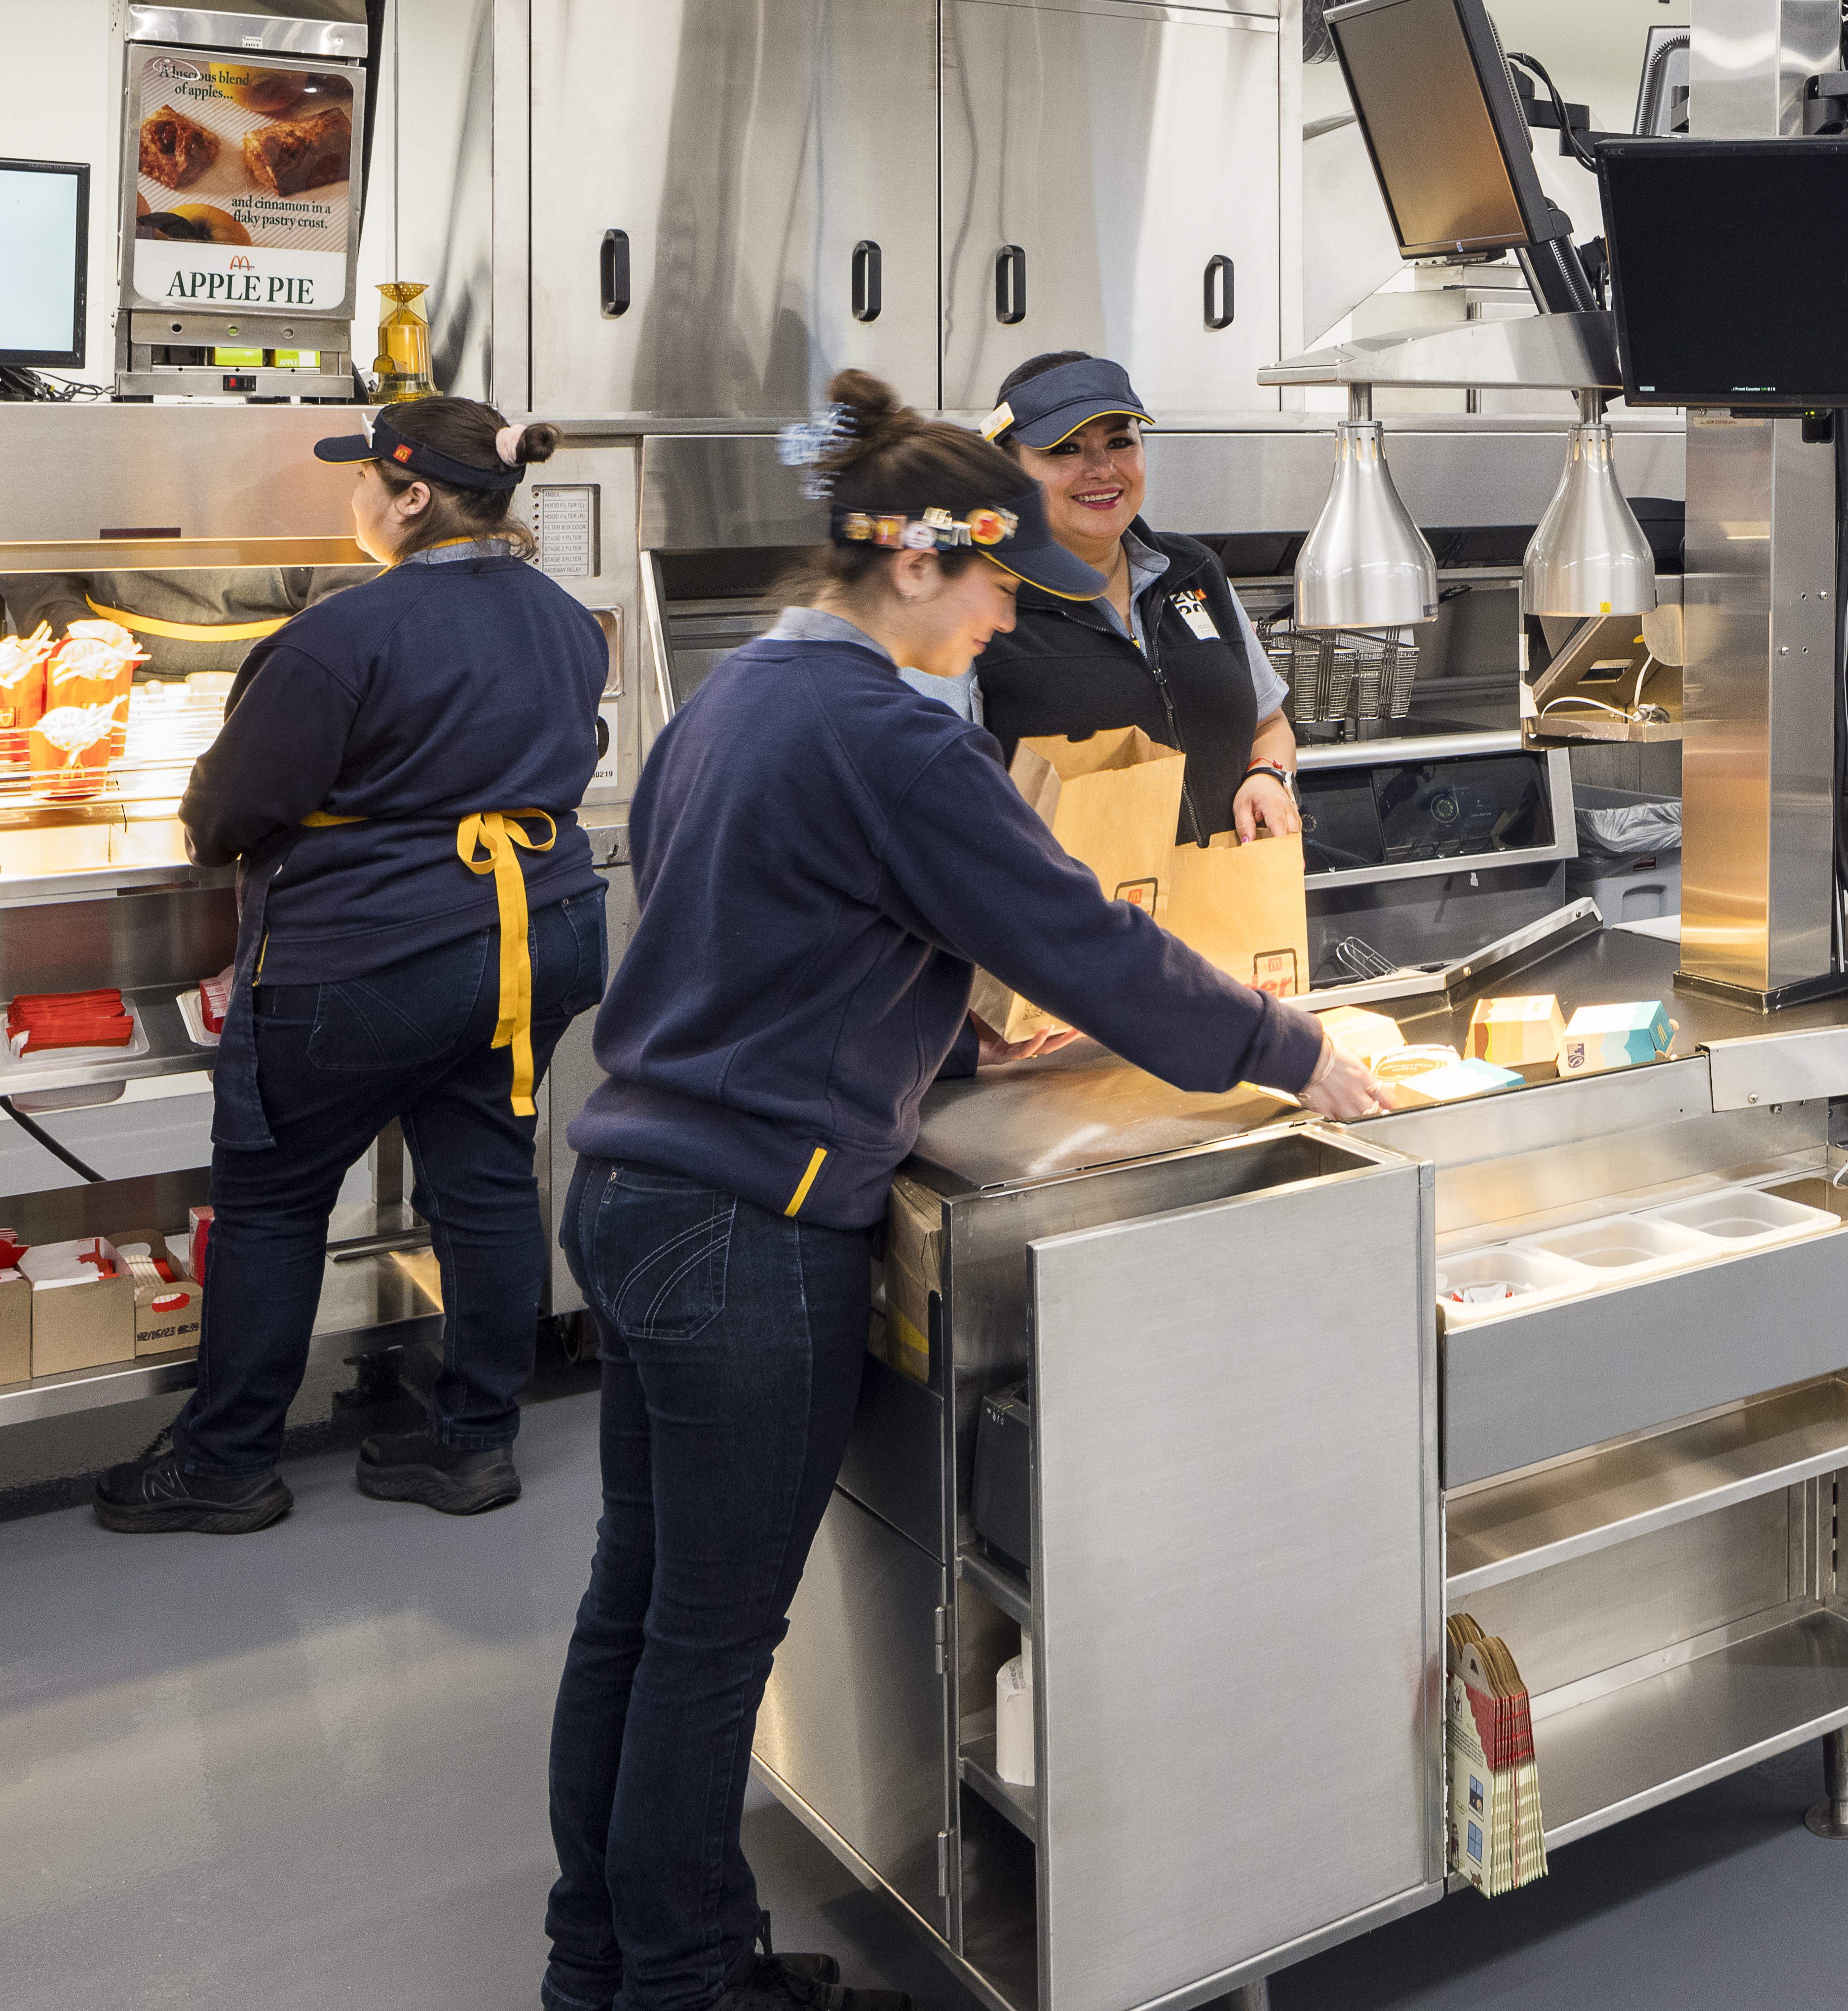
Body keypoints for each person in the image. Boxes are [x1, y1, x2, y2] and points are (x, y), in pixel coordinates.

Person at [543, 370, 1389, 2011]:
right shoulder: (884, 731)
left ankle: (616, 1954)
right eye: (999, 577)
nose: (1011, 613)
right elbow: (1081, 932)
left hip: (640, 1188)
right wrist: (1292, 1049)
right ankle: (674, 1987)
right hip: (748, 1228)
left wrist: (934, 1023)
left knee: (635, 1615)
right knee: (708, 1644)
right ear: (919, 561)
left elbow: (755, 918)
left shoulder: (744, 690)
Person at [94, 399, 610, 1535]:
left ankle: (228, 1461)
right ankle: (474, 1443)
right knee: (482, 1179)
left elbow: (229, 814)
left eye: (363, 477)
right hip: (539, 937)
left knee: (275, 1198)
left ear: (412, 495)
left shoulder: (341, 636)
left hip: (379, 956)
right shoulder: (565, 617)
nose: (354, 498)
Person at [908, 351, 1302, 849]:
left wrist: (1268, 775)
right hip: (1071, 923)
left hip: (1225, 906)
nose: (1101, 469)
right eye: (1064, 449)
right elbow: (925, 804)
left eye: (1120, 442)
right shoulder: (972, 606)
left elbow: (1268, 723)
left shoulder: (1194, 569)